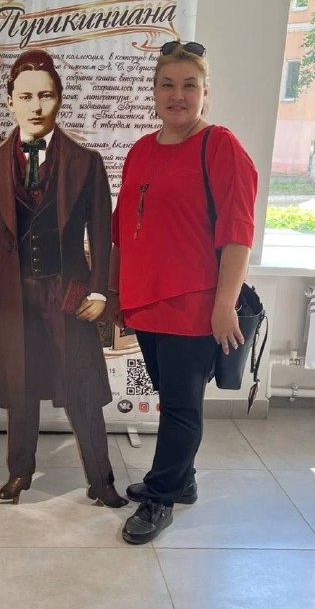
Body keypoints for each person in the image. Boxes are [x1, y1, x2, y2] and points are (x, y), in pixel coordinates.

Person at [0, 48, 128, 508]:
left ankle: (101, 480)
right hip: (12, 296)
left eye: (46, 96)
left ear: (59, 99)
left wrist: (101, 290)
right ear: (9, 102)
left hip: (68, 293)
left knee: (82, 387)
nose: (36, 107)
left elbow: (101, 232)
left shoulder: (87, 161)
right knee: (21, 388)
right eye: (26, 97)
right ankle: (19, 472)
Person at [111, 40, 257, 544]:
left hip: (193, 304)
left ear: (205, 92)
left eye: (189, 85)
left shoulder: (219, 146)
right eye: (168, 85)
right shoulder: (140, 150)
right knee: (171, 397)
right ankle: (183, 480)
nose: (178, 95)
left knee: (179, 406)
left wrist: (224, 306)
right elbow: (122, 228)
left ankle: (161, 496)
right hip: (145, 301)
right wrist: (119, 295)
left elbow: (237, 233)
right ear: (154, 92)